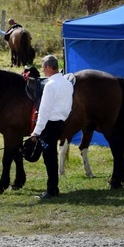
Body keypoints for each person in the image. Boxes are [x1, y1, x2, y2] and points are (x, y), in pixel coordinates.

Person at [30, 55, 73, 199]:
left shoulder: (50, 85)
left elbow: (44, 111)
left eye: (43, 67)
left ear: (49, 67)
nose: (42, 70)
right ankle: (52, 188)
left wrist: (36, 132)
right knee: (51, 156)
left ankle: (52, 190)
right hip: (61, 123)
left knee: (49, 158)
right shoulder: (67, 83)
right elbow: (68, 106)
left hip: (49, 124)